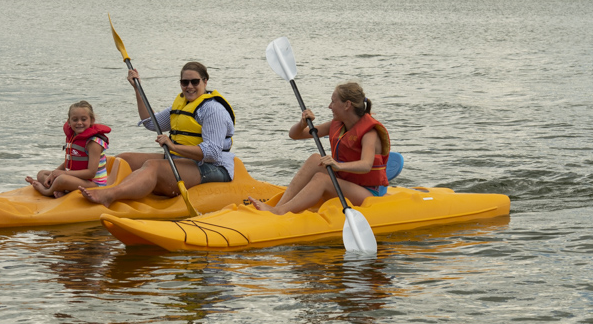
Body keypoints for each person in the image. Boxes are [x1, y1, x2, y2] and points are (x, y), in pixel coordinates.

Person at [79, 61, 235, 207]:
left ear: (205, 81)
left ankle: (110, 195)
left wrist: (173, 146)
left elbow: (212, 153)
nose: (189, 86)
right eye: (184, 82)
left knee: (153, 165)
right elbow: (151, 122)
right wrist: (136, 88)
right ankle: (92, 185)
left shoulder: (213, 110)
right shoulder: (182, 104)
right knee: (123, 159)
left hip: (212, 167)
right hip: (181, 159)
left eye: (195, 82)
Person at [249, 82, 389, 215]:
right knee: (315, 159)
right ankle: (278, 207)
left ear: (347, 105)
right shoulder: (337, 124)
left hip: (367, 192)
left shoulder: (370, 133)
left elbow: (366, 165)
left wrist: (338, 165)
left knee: (321, 179)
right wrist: (302, 123)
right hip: (346, 182)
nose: (329, 106)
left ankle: (279, 212)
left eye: (333, 102)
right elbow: (295, 135)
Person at [26, 100, 111, 198]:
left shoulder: (94, 143)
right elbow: (68, 162)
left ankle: (47, 191)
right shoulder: (73, 137)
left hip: (94, 184)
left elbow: (91, 173)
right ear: (69, 121)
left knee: (61, 179)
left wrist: (63, 173)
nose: (79, 123)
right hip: (75, 178)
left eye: (83, 119)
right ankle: (61, 190)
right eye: (75, 119)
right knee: (41, 174)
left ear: (91, 120)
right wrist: (53, 173)